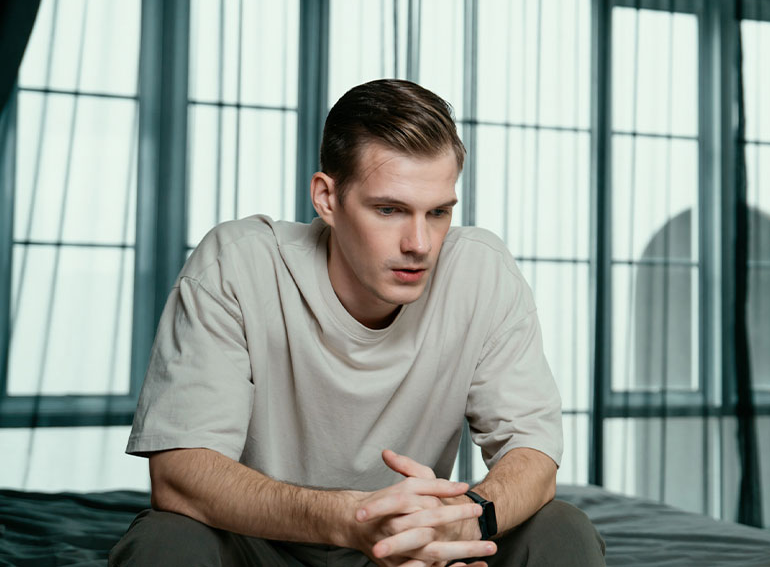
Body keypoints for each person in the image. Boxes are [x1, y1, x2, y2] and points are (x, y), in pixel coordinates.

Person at [110, 79, 606, 567]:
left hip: (416, 548)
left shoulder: (481, 271)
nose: (420, 243)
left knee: (561, 526)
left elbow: (532, 455)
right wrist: (349, 518)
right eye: (389, 210)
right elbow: (179, 475)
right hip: (261, 542)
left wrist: (462, 520)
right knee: (165, 540)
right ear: (326, 198)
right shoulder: (237, 263)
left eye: (438, 212)